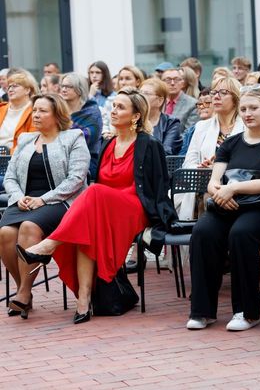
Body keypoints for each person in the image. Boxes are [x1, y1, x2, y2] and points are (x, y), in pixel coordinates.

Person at [18, 87, 178, 324]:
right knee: (87, 228)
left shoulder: (149, 144)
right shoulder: (108, 144)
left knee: (93, 192)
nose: (113, 111)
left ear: (135, 116)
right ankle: (83, 300)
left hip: (135, 208)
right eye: (113, 106)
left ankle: (49, 244)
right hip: (103, 208)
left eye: (120, 107)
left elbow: (158, 187)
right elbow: (101, 183)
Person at [186, 85, 260, 331]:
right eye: (243, 109)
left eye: (253, 108)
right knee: (202, 233)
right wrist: (221, 193)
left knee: (241, 234)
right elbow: (214, 181)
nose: (248, 113)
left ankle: (247, 312)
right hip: (226, 204)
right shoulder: (230, 143)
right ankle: (202, 311)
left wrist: (233, 189)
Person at [0, 94, 90, 319]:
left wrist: (44, 199)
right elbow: (9, 177)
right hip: (25, 200)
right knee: (5, 233)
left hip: (61, 201)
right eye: (35, 111)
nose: (36, 115)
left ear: (57, 114)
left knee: (29, 227)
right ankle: (24, 291)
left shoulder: (73, 137)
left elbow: (76, 178)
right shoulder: (25, 139)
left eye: (43, 111)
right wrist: (18, 196)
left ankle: (23, 293)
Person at [178, 77, 244, 221]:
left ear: (236, 98)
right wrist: (200, 168)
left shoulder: (246, 126)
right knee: (208, 199)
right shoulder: (201, 127)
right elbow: (189, 163)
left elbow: (251, 163)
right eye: (214, 92)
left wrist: (219, 168)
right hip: (204, 189)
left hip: (239, 191)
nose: (216, 96)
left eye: (223, 92)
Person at [60, 73, 103, 180]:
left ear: (80, 90)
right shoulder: (59, 110)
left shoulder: (92, 112)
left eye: (68, 86)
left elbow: (84, 138)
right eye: (62, 86)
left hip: (86, 160)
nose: (64, 89)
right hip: (60, 158)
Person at [140, 78, 181, 155]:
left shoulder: (171, 123)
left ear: (160, 101)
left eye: (146, 94)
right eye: (140, 93)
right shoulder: (133, 120)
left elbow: (166, 151)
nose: (140, 97)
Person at [102, 65, 145, 139]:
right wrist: (106, 133)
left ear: (138, 81)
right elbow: (104, 122)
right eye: (121, 79)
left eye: (127, 79)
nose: (123, 82)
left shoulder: (144, 102)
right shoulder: (110, 100)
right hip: (112, 139)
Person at [0, 72, 38, 153]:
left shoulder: (35, 112)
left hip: (15, 157)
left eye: (15, 86)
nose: (10, 89)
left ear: (27, 90)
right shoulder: (1, 109)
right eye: (9, 86)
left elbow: (31, 143)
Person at [162, 68, 199, 137]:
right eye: (168, 80)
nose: (172, 83)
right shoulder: (158, 102)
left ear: (183, 83)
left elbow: (188, 134)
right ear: (161, 83)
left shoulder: (193, 104)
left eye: (176, 79)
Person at [179, 88, 215, 157]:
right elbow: (182, 156)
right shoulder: (190, 131)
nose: (202, 106)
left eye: (207, 103)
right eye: (200, 103)